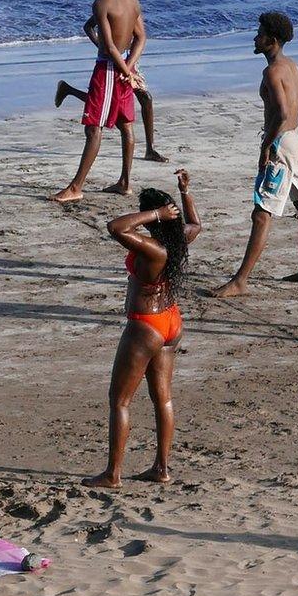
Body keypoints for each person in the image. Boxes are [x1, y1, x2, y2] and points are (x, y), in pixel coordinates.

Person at [84, 169, 202, 488]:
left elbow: (116, 227)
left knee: (119, 400)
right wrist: (185, 193)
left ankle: (112, 474)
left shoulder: (154, 248)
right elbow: (196, 225)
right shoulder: (178, 240)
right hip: (171, 321)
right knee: (162, 398)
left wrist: (155, 212)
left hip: (145, 326)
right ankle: (161, 468)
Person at [211, 12, 298, 297]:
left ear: (271, 40)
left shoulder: (272, 72)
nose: (254, 37)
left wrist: (267, 146)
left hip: (282, 141)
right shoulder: (293, 67)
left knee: (262, 211)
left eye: (259, 33)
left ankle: (241, 280)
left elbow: (282, 113)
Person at [52, 0, 146, 203]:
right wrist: (131, 68)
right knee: (126, 125)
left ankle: (76, 187)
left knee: (94, 128)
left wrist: (125, 71)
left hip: (108, 70)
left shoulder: (102, 3)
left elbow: (109, 46)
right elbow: (141, 38)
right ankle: (125, 182)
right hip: (125, 67)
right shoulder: (133, 0)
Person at [55, 0, 164, 163]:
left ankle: (150, 148)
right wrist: (102, 46)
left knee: (142, 99)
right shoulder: (109, 5)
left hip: (129, 61)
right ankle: (143, 156)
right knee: (109, 107)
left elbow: (140, 36)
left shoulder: (132, 4)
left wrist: (129, 67)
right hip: (115, 62)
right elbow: (89, 26)